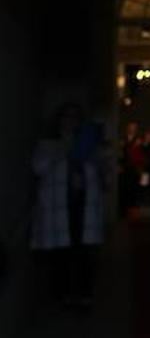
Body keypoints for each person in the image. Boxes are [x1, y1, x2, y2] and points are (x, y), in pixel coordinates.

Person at [31, 103, 107, 308]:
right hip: (58, 206)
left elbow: (100, 173)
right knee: (61, 255)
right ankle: (62, 295)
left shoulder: (87, 145)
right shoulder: (48, 145)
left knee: (84, 253)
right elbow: (39, 168)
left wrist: (93, 155)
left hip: (83, 204)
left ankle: (84, 295)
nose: (70, 123)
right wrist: (64, 148)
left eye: (75, 119)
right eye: (66, 118)